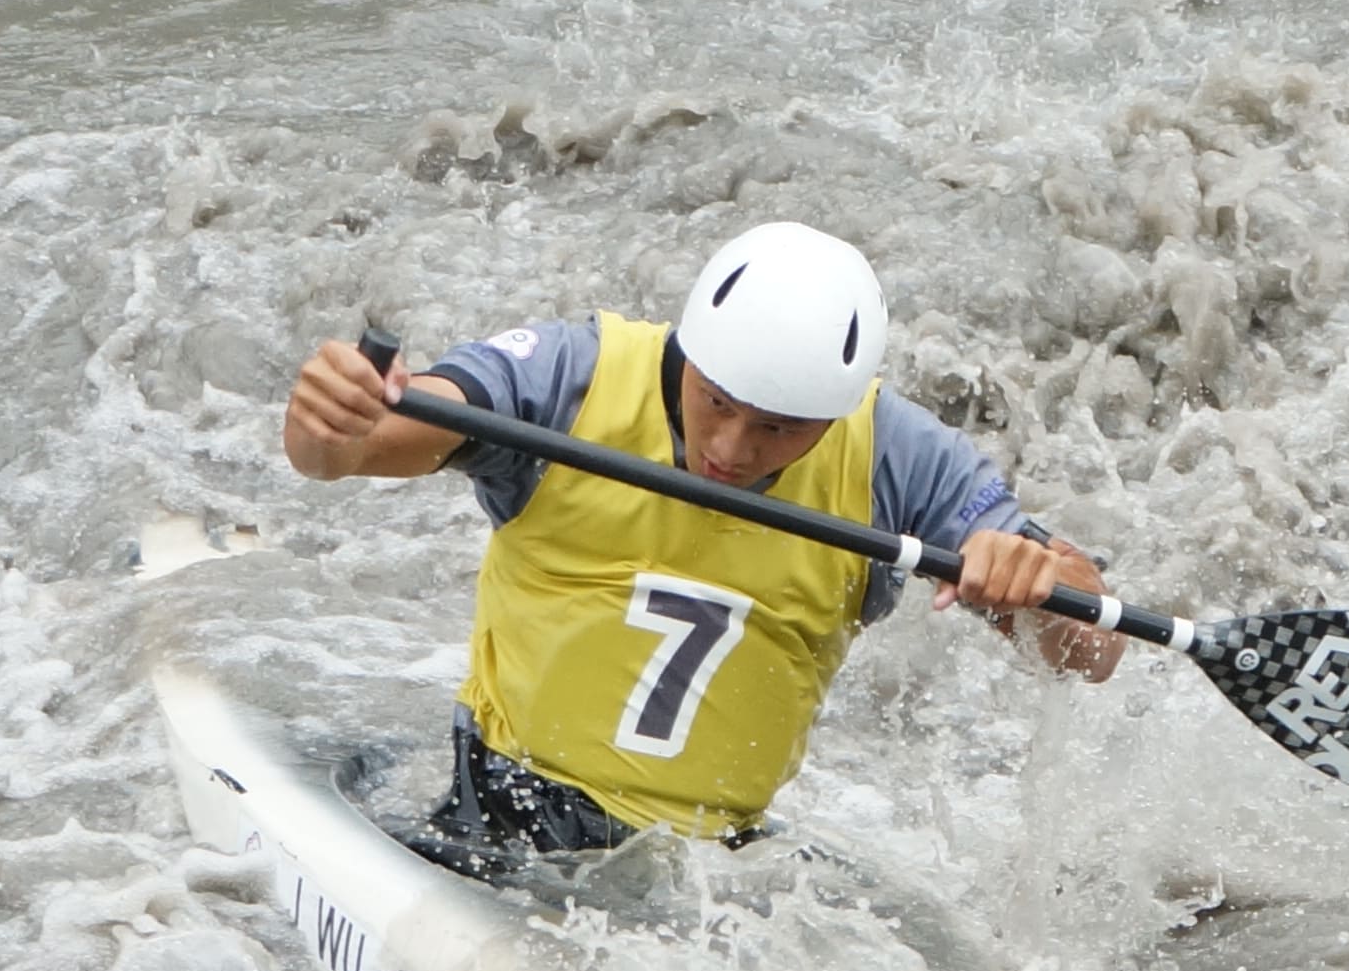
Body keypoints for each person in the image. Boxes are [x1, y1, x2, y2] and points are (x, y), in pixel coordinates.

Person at [283, 220, 1118, 861]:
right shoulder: (566, 376)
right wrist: (335, 420)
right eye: (716, 402)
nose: (731, 447)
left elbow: (1091, 650)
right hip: (504, 813)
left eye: (777, 429)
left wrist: (1036, 577)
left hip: (713, 870)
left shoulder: (897, 454)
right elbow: (347, 454)